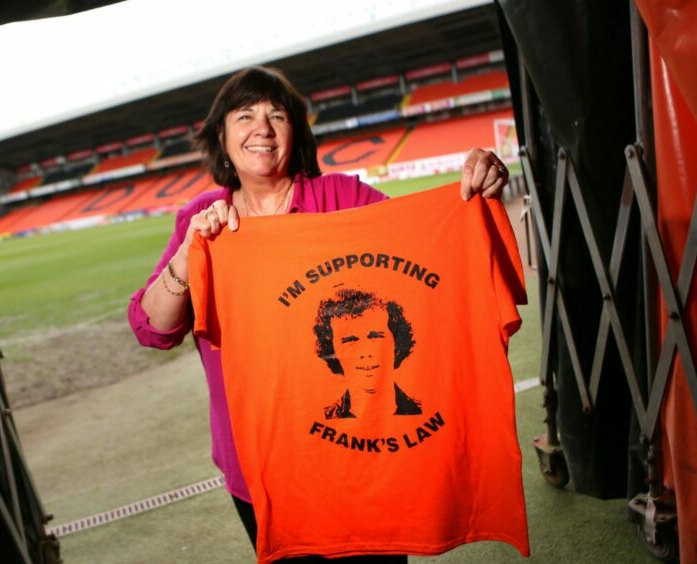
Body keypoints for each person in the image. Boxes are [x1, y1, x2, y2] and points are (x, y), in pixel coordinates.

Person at [128, 65, 510, 559]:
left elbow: (428, 249)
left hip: (357, 453)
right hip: (259, 463)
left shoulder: (342, 198)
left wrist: (478, 194)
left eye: (277, 115)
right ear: (222, 139)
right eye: (244, 116)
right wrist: (189, 252)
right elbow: (152, 329)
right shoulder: (200, 219)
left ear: (297, 133)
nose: (262, 128)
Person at [313, 288, 421, 419]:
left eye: (375, 336)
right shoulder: (321, 418)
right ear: (332, 351)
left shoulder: (422, 411)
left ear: (397, 345)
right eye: (350, 340)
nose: (365, 352)